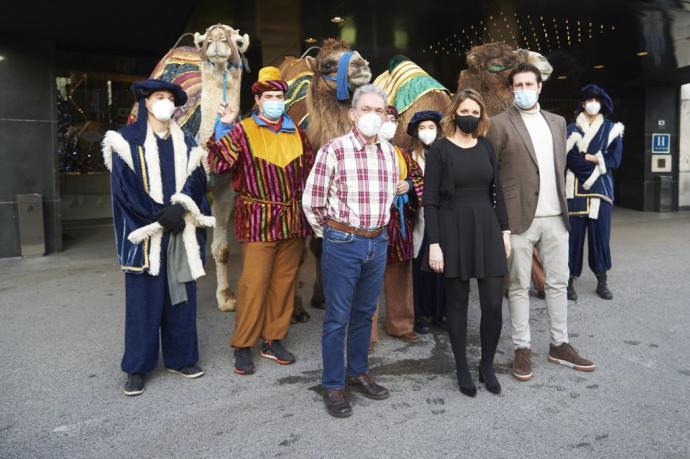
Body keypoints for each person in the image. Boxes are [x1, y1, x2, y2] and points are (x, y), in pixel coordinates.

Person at [102, 79, 214, 396]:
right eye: (159, 97)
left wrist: (179, 210)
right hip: (145, 236)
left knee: (181, 296)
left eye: (169, 98)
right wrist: (156, 214)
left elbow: (196, 180)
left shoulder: (188, 142)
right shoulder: (124, 142)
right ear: (146, 103)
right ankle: (137, 367)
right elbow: (124, 191)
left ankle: (182, 359)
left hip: (180, 231)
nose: (165, 102)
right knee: (143, 303)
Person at [486, 63, 596, 382]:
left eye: (528, 84)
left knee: (557, 282)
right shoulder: (498, 124)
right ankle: (523, 348)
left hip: (556, 216)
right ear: (511, 90)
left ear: (539, 87)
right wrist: (499, 222)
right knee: (519, 285)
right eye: (517, 85)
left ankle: (559, 344)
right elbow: (491, 176)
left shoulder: (558, 122)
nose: (523, 90)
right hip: (519, 217)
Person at [207, 66, 314, 376]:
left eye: (279, 96)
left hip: (292, 221)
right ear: (257, 100)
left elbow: (309, 172)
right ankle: (243, 344)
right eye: (269, 96)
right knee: (253, 283)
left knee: (284, 283)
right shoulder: (242, 131)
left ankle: (273, 339)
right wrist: (224, 126)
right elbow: (218, 163)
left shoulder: (297, 132)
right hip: (258, 220)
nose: (275, 101)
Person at [303, 84, 398, 418]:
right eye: (366, 110)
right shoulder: (335, 150)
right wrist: (331, 235)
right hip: (343, 242)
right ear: (353, 114)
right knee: (337, 316)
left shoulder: (388, 151)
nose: (373, 116)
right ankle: (333, 384)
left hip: (377, 239)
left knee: (364, 313)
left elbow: (388, 197)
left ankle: (358, 373)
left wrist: (377, 231)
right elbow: (312, 201)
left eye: (379, 111)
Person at [425, 89, 510, 397]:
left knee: (492, 304)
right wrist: (434, 243)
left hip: (487, 228)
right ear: (453, 113)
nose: (470, 116)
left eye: (475, 112)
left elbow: (496, 191)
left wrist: (505, 231)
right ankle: (462, 367)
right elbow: (430, 200)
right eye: (465, 111)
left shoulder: (487, 146)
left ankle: (486, 365)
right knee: (457, 302)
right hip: (452, 229)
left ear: (481, 116)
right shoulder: (439, 150)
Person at [370, 105, 424, 351]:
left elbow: (419, 180)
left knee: (401, 273)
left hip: (399, 222)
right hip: (370, 223)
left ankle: (401, 324)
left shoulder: (402, 154)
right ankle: (366, 333)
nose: (389, 123)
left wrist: (409, 186)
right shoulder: (361, 152)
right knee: (367, 279)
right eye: (385, 118)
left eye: (393, 119)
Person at [565, 84, 624, 301]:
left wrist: (592, 158)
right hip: (575, 191)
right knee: (573, 238)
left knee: (600, 238)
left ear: (602, 104)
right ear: (582, 103)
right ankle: (569, 280)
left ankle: (602, 280)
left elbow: (614, 160)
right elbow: (571, 158)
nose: (592, 104)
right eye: (589, 100)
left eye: (597, 100)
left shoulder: (612, 129)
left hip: (601, 192)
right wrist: (597, 160)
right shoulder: (571, 129)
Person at [407, 111, 447, 334]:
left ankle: (441, 313)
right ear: (415, 131)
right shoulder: (409, 157)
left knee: (442, 270)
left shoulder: (446, 153)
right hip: (419, 221)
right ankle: (420, 314)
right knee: (420, 270)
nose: (427, 132)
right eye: (423, 127)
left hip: (443, 221)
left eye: (432, 127)